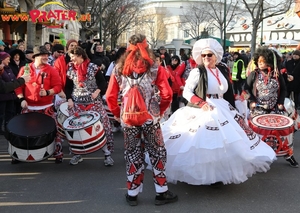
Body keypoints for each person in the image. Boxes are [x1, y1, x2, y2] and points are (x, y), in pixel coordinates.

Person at [161, 38, 276, 185]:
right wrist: (201, 103)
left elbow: (225, 90)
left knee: (227, 142)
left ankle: (218, 175)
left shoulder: (222, 69)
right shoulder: (198, 71)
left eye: (209, 55)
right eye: (203, 55)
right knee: (206, 143)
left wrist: (236, 99)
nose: (206, 58)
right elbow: (187, 92)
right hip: (204, 106)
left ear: (216, 56)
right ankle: (204, 175)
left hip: (222, 106)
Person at [105, 34, 178, 206]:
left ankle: (132, 194)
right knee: (157, 151)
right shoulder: (154, 67)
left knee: (132, 153)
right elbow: (167, 94)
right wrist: (158, 111)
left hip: (128, 119)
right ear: (146, 47)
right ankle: (161, 192)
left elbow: (109, 96)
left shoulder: (119, 68)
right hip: (150, 118)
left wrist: (117, 113)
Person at [245, 47, 298, 168]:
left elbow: (284, 90)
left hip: (275, 108)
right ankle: (256, 155)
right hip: (258, 109)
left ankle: (288, 154)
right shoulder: (254, 74)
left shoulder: (277, 74)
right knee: (256, 131)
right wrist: (251, 101)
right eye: (259, 61)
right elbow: (246, 89)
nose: (260, 63)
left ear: (269, 61)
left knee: (284, 130)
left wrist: (280, 102)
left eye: (263, 61)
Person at [65, 46, 114, 166]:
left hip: (94, 103)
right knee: (77, 130)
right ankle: (78, 154)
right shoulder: (71, 69)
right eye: (70, 57)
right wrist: (69, 99)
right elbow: (67, 87)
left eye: (73, 57)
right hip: (77, 104)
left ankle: (107, 154)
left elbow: (103, 83)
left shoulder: (93, 68)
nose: (72, 60)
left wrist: (98, 91)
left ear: (80, 56)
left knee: (102, 127)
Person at [15, 46, 63, 164]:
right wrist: (21, 99)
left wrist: (48, 92)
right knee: (22, 132)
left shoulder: (51, 70)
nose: (46, 57)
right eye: (43, 55)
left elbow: (58, 86)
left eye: (47, 55)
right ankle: (18, 155)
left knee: (54, 130)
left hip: (46, 107)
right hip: (29, 106)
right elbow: (18, 86)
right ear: (35, 57)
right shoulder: (24, 69)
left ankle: (58, 154)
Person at [0, 52, 18, 134]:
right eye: (7, 59)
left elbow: (13, 78)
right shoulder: (1, 70)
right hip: (3, 96)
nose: (9, 61)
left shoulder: (8, 68)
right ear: (2, 60)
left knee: (10, 112)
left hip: (11, 95)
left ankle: (8, 127)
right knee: (1, 114)